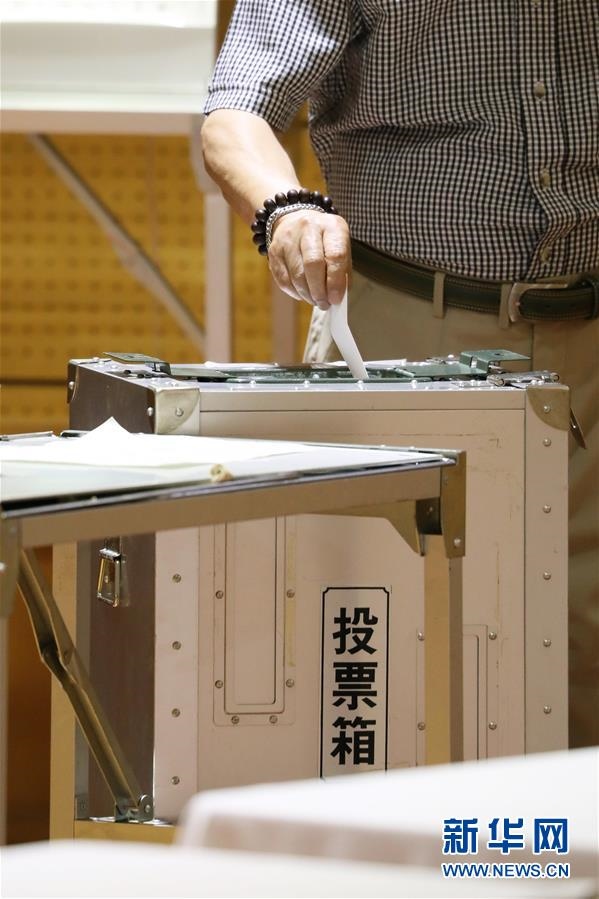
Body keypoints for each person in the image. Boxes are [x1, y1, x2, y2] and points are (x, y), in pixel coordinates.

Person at [201, 0, 598, 748]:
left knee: (581, 648)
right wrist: (287, 211)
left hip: (590, 337)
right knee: (384, 643)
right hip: (402, 333)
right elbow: (236, 112)